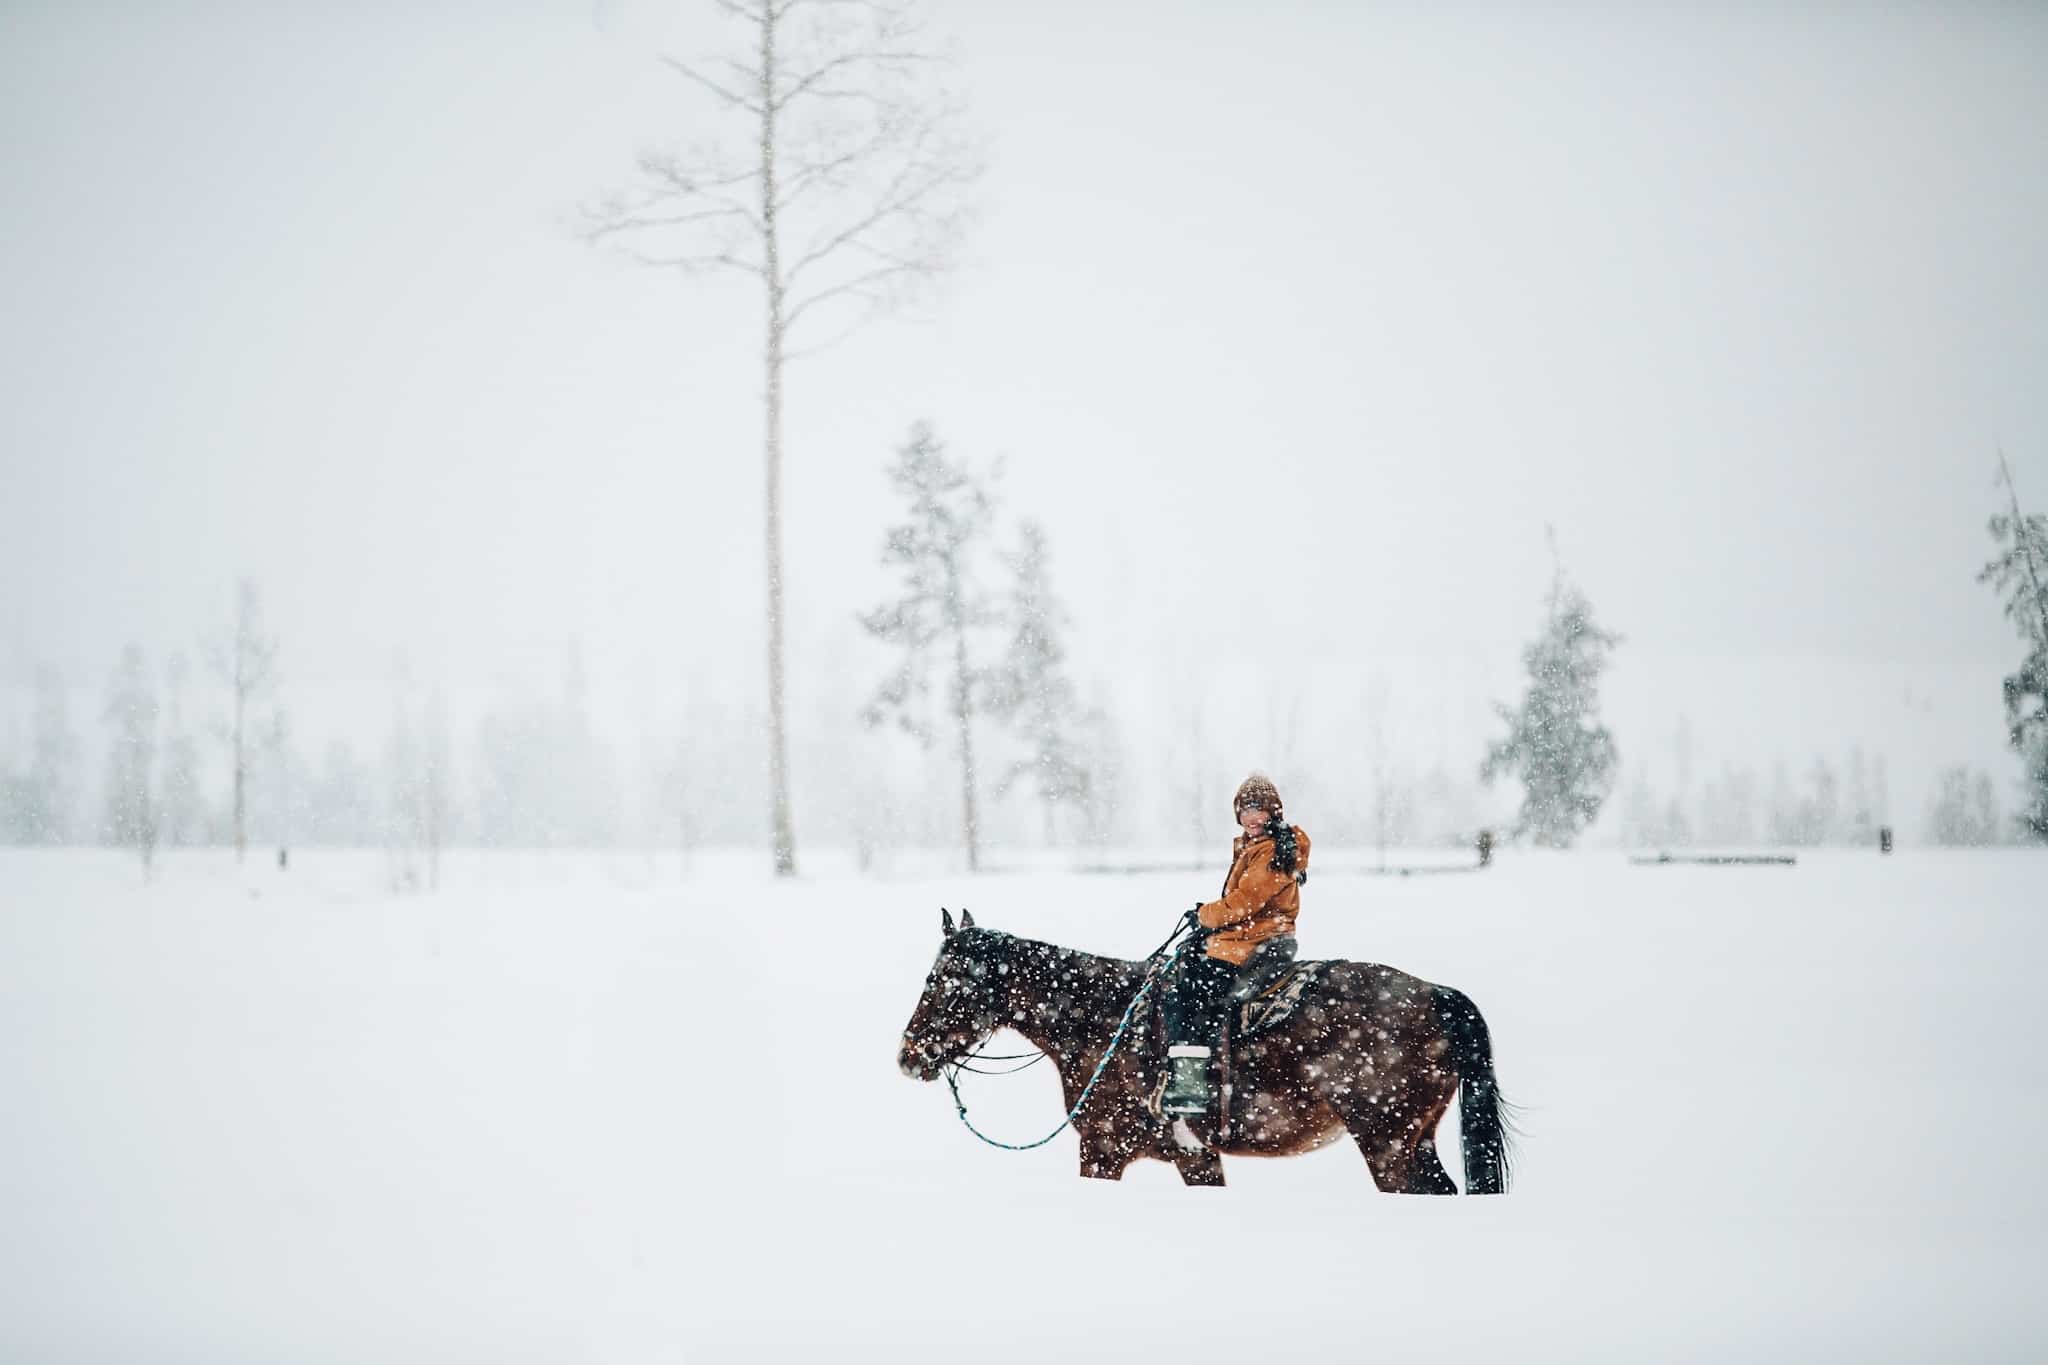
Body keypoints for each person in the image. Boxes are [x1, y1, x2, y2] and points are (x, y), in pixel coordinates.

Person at [1159, 772, 1312, 1119]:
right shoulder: (1257, 846)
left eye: (1259, 809)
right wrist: (1208, 921)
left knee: (1188, 994)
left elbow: (1244, 903)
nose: (1252, 817)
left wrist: (1205, 916)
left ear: (1274, 812)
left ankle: (1190, 1083)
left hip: (1257, 942)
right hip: (1248, 938)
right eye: (1245, 810)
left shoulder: (1272, 850)